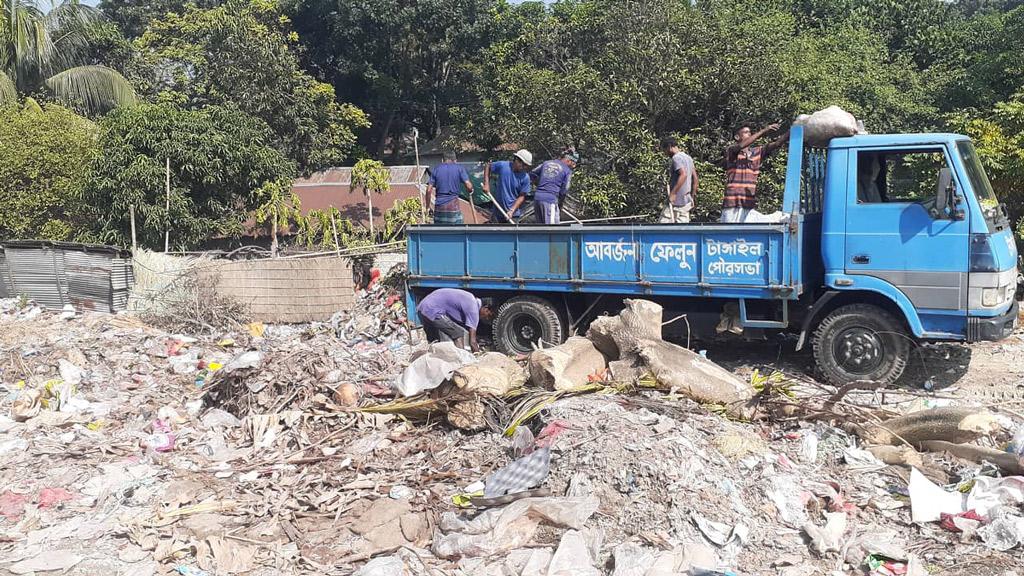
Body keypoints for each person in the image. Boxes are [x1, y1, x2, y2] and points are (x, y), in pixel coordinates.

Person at [721, 122, 788, 223]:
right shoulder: (732, 151)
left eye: (750, 133)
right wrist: (764, 131)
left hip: (748, 203)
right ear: (737, 137)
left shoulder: (757, 152)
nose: (749, 134)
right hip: (732, 204)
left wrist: (792, 130)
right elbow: (741, 146)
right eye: (746, 132)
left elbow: (777, 144)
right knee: (729, 235)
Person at [416, 288, 494, 352]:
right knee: (458, 334)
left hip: (425, 306)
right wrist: (479, 358)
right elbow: (472, 343)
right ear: (486, 308)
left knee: (435, 340)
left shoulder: (471, 300)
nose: (486, 318)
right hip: (432, 309)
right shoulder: (473, 309)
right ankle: (461, 363)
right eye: (488, 315)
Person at [483, 149, 533, 223]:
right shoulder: (503, 166)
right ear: (516, 159)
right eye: (523, 164)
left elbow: (522, 196)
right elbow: (488, 166)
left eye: (526, 165)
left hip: (512, 215)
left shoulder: (525, 177)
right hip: (497, 212)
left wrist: (512, 210)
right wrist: (486, 184)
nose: (524, 167)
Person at [530, 149, 578, 224]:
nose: (574, 166)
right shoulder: (567, 171)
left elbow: (532, 173)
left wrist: (539, 184)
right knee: (552, 230)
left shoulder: (546, 163)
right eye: (573, 163)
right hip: (550, 200)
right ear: (569, 160)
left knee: (540, 229)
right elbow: (565, 190)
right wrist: (560, 204)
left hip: (537, 199)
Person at [426, 151, 473, 224]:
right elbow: (468, 185)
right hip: (453, 207)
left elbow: (428, 190)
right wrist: (470, 190)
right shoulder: (459, 169)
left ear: (442, 160)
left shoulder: (436, 169)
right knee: (457, 231)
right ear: (455, 160)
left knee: (440, 232)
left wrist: (427, 207)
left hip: (439, 207)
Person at [659, 137, 698, 223]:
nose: (665, 153)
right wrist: (692, 197)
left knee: (662, 227)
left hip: (675, 201)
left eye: (664, 150)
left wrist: (673, 193)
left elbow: (683, 175)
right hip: (686, 201)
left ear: (669, 147)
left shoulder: (676, 158)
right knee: (682, 230)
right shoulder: (688, 158)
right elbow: (695, 178)